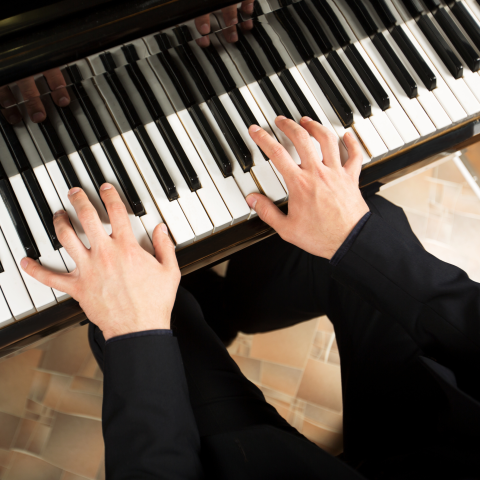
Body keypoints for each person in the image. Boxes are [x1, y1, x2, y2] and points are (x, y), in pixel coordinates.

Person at [20, 116, 480, 479]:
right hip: (452, 432)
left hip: (247, 467)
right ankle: (228, 308)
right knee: (362, 223)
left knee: (136, 300)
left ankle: (203, 312)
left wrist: (136, 330)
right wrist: (356, 236)